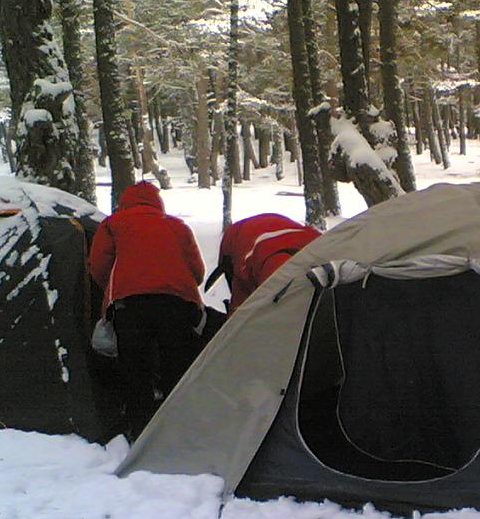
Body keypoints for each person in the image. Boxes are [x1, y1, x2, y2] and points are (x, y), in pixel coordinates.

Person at [89, 180, 205, 440]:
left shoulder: (112, 224)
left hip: (130, 305)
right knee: (177, 365)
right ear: (157, 202)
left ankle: (140, 430)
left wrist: (115, 289)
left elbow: (98, 265)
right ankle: (179, 427)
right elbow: (197, 271)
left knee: (135, 367)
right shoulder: (177, 225)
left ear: (124, 202)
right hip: (177, 303)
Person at [206, 213, 321, 313]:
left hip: (249, 241)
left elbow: (241, 312)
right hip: (312, 246)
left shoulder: (267, 268)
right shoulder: (320, 246)